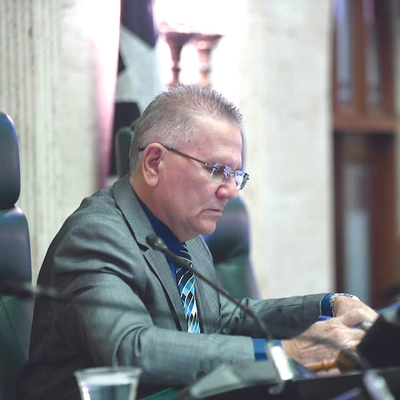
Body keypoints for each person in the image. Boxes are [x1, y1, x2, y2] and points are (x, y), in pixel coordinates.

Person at [19, 85, 378, 399]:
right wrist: (285, 353)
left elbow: (223, 320)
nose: (232, 191)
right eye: (218, 170)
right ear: (154, 163)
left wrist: (328, 305)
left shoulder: (182, 231)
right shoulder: (97, 235)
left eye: (236, 174)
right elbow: (131, 348)